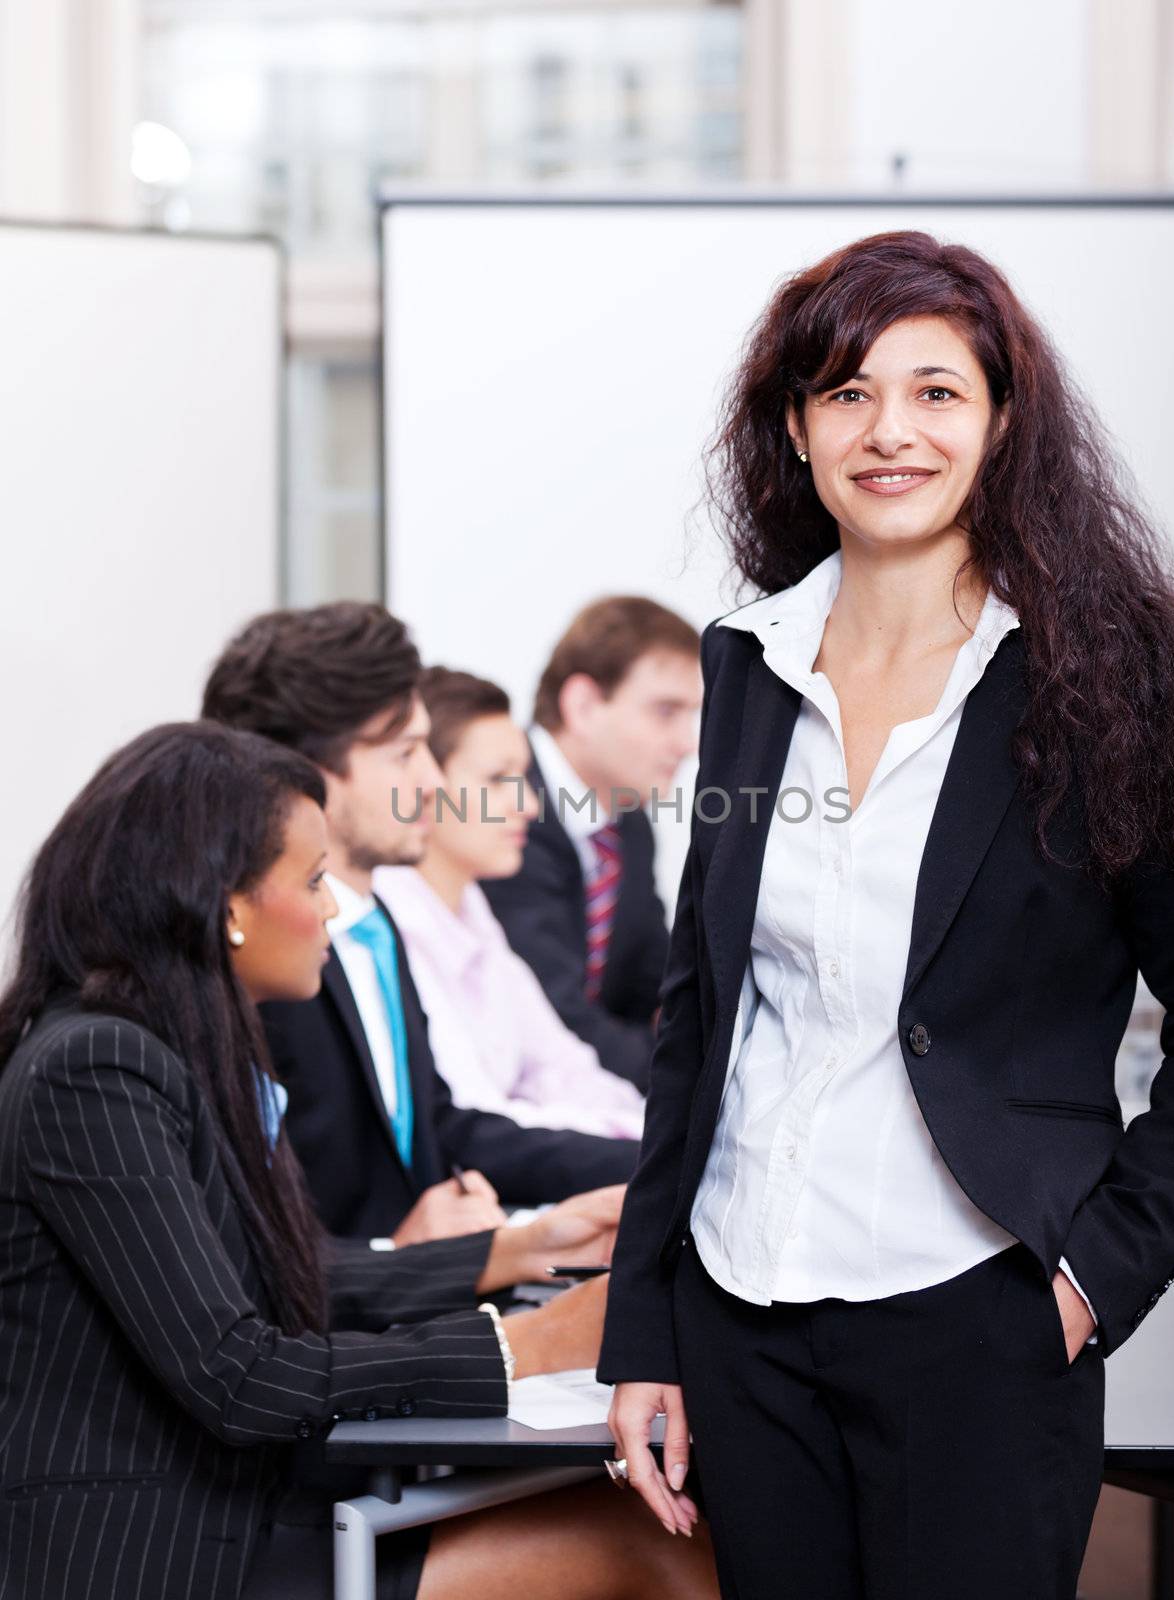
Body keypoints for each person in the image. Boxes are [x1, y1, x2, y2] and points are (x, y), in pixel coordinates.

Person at [601, 228, 1174, 1597]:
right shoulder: (750, 669)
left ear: (1004, 422)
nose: (891, 431)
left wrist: (1093, 1276)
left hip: (981, 1317)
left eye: (938, 391)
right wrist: (645, 1331)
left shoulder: (1104, 685)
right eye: (848, 393)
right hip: (744, 1312)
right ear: (798, 426)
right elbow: (700, 1014)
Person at [0, 721, 720, 1600]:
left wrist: (517, 1251)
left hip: (243, 1507)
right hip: (161, 1548)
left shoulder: (168, 1051)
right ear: (225, 906)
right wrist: (520, 1345)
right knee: (661, 1542)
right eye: (312, 882)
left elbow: (280, 1276)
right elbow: (239, 1372)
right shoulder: (95, 1071)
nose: (335, 910)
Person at [201, 604, 638, 1245]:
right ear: (309, 776)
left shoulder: (372, 925)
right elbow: (250, 1242)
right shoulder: (261, 958)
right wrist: (408, 1258)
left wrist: (651, 1165)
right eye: (407, 755)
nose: (433, 784)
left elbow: (440, 1124)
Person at [374, 666, 645, 1140]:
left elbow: (561, 1067)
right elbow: (477, 1116)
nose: (529, 806)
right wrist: (648, 1150)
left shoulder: (471, 910)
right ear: (424, 781)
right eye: (498, 779)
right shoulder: (391, 925)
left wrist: (659, 1134)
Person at [480, 596, 702, 1092]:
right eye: (666, 711)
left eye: (692, 715)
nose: (688, 742)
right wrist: (690, 1077)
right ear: (582, 706)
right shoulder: (503, 808)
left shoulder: (629, 820)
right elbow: (556, 1016)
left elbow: (654, 979)